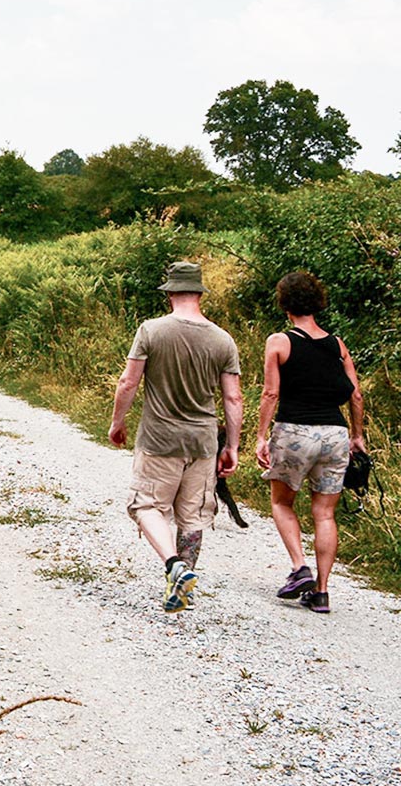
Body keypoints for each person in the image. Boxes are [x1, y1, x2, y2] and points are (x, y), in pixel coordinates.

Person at [109, 261, 243, 613]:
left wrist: (117, 422)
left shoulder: (151, 331)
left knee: (145, 505)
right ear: (199, 293)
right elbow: (233, 398)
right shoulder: (222, 339)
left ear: (169, 293)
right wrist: (231, 446)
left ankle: (173, 565)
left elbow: (128, 382)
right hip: (202, 443)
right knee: (193, 517)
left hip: (159, 439)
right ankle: (184, 584)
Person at [254, 270, 365, 614]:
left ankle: (299, 567)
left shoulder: (280, 342)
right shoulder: (337, 344)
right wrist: (357, 436)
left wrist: (260, 436)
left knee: (282, 502)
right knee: (325, 513)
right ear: (317, 302)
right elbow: (356, 395)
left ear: (285, 305)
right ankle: (321, 591)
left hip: (295, 432)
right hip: (335, 434)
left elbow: (271, 392)